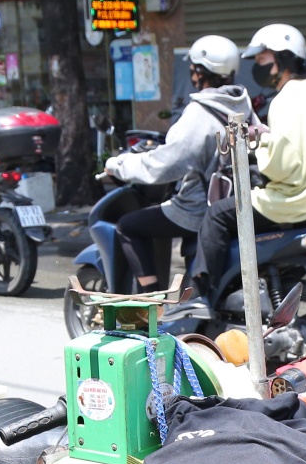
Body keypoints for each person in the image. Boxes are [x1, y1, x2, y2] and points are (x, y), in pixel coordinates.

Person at [191, 23, 306, 296]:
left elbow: (281, 167)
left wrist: (259, 149)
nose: (258, 66)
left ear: (283, 58)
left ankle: (201, 295)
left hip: (297, 201)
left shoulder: (286, 100)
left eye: (263, 59)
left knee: (217, 214)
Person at [102, 36, 251, 292]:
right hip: (233, 202)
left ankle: (152, 300)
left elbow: (163, 166)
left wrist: (118, 165)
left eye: (193, 68)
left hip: (197, 209)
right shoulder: (242, 104)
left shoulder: (200, 113)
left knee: (127, 226)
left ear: (199, 71)